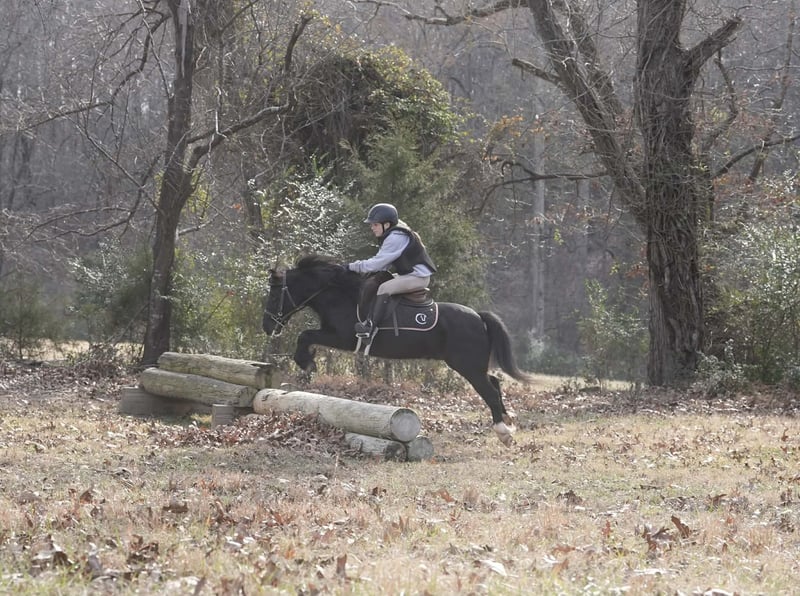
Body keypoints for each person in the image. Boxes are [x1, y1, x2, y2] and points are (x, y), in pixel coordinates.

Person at [346, 203, 436, 337]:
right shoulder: (393, 232)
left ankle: (370, 328)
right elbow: (383, 266)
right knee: (380, 279)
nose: (372, 228)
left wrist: (350, 266)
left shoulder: (395, 238)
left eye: (375, 224)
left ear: (387, 224)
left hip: (418, 278)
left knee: (384, 288)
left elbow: (375, 264)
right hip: (410, 275)